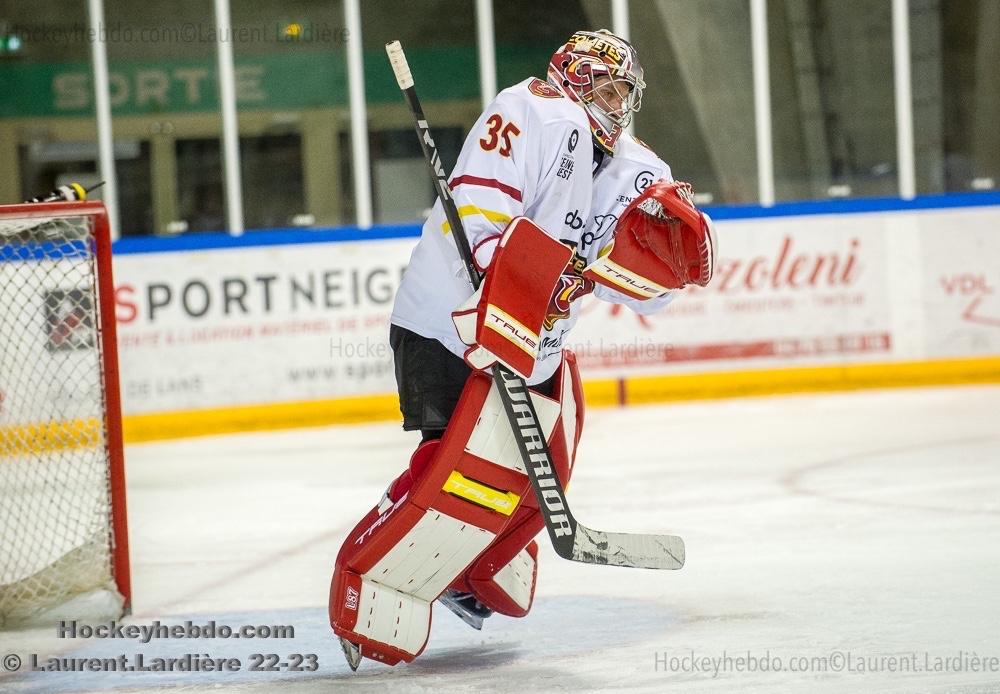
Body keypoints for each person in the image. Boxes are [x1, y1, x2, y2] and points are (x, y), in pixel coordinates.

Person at [329, 29, 717, 670]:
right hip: (445, 323)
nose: (617, 102)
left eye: (627, 90)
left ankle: (468, 572)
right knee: (453, 466)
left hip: (532, 344)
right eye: (606, 85)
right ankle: (375, 573)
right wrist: (493, 275)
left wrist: (671, 264)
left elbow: (644, 286)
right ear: (573, 77)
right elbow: (479, 206)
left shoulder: (638, 167)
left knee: (540, 477)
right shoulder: (531, 109)